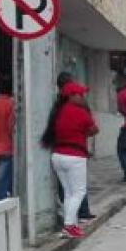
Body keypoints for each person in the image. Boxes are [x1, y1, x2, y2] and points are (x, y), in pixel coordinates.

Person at [41, 81, 99, 239]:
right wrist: (83, 134)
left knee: (68, 192)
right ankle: (68, 226)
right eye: (79, 94)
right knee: (79, 191)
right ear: (71, 96)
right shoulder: (80, 112)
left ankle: (71, 224)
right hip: (75, 156)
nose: (82, 97)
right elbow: (95, 129)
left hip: (57, 155)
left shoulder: (57, 111)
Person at [55, 72, 94, 221]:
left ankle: (74, 216)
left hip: (64, 149)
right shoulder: (77, 102)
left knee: (68, 187)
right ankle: (78, 215)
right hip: (74, 148)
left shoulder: (59, 105)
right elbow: (90, 125)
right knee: (77, 186)